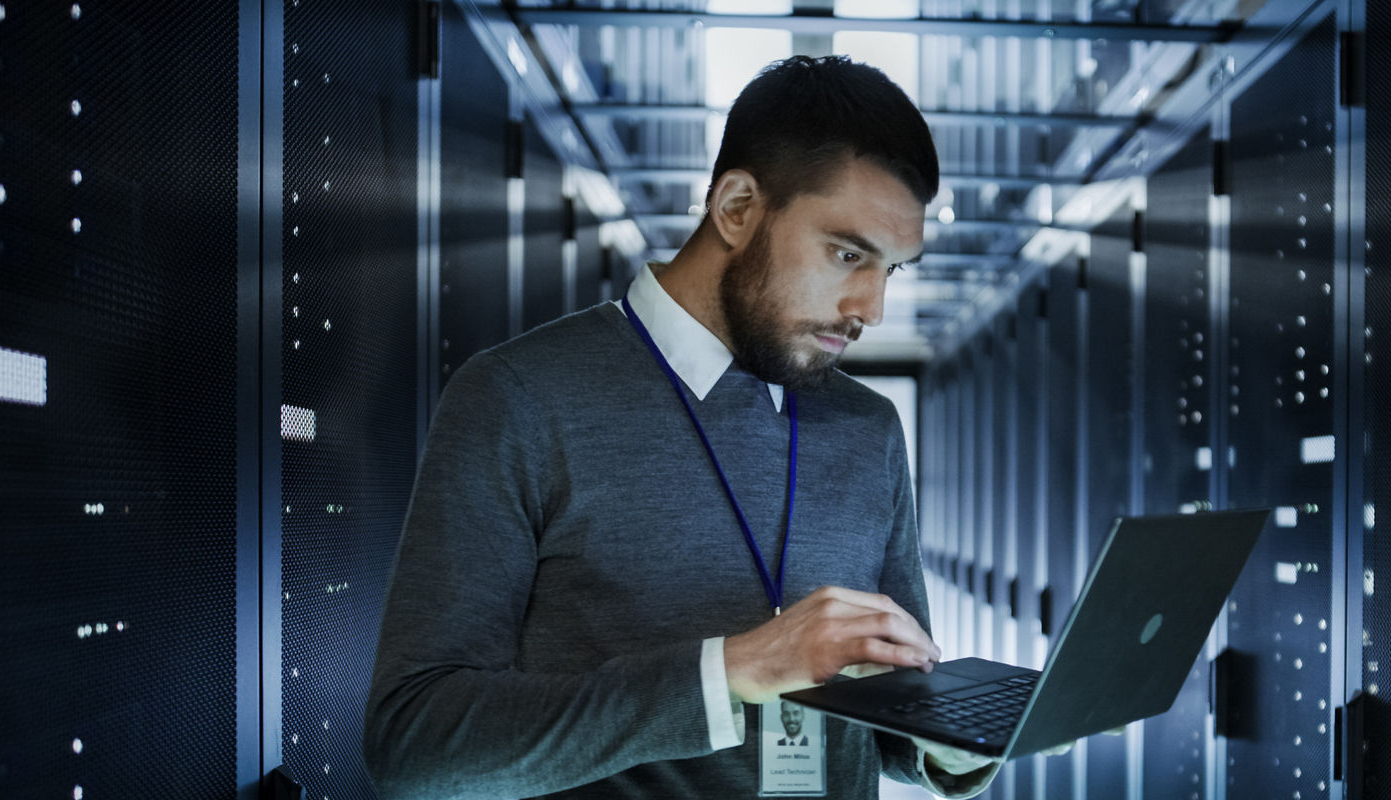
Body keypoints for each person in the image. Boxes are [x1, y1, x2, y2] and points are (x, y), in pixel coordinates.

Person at [363, 55, 999, 798]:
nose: (870, 309)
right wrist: (733, 672)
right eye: (847, 253)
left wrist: (956, 740)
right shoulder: (518, 399)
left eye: (890, 270)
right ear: (735, 207)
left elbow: (883, 713)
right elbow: (415, 741)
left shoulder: (870, 428)